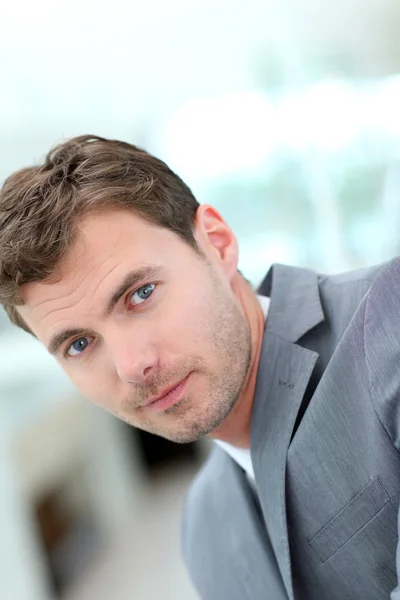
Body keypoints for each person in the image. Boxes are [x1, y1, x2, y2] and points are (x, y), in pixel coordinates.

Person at [0, 135, 399, 600]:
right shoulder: (206, 530)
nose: (133, 366)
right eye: (79, 344)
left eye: (141, 294)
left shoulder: (388, 320)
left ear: (217, 242)